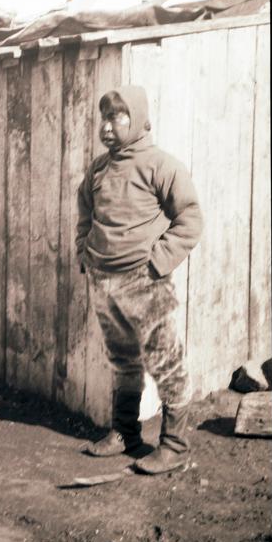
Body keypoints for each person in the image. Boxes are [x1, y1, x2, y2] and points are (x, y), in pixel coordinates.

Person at [76, 86, 203, 474]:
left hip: (145, 283)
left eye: (118, 117)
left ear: (139, 120)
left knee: (166, 362)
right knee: (122, 359)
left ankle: (175, 446)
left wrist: (157, 262)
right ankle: (125, 433)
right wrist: (85, 254)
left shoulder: (161, 165)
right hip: (103, 280)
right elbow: (85, 214)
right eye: (105, 117)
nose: (107, 126)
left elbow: (190, 220)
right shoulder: (98, 169)